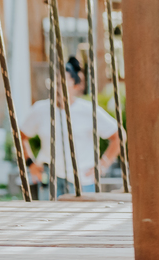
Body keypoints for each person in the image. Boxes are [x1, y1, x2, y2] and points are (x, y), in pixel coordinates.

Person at [18, 56, 120, 198]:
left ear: (76, 86)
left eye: (62, 83)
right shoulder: (40, 110)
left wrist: (103, 164)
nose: (57, 88)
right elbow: (20, 137)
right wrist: (31, 163)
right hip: (50, 179)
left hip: (82, 180)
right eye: (54, 83)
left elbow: (118, 137)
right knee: (48, 213)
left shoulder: (88, 110)